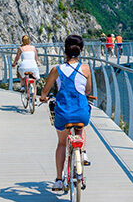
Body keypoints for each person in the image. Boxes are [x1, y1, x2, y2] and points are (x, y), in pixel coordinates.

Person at [40, 34, 93, 191]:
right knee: (80, 126)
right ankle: (82, 153)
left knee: (62, 143)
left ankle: (58, 180)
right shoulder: (86, 68)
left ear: (65, 51)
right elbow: (87, 90)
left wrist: (43, 97)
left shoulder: (57, 69)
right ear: (80, 50)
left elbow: (45, 90)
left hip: (63, 114)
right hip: (81, 113)